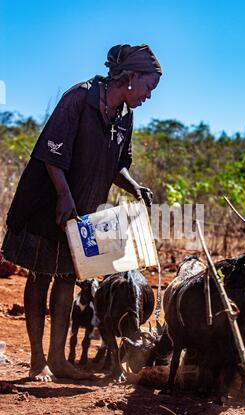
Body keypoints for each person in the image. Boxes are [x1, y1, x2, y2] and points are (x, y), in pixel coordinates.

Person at [0, 44, 162, 381]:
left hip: (83, 210)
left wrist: (135, 187)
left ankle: (59, 360)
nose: (149, 96)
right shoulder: (79, 98)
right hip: (47, 202)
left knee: (68, 277)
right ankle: (36, 361)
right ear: (131, 78)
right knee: (40, 275)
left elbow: (119, 165)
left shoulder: (125, 116)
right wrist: (63, 196)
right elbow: (49, 153)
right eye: (148, 87)